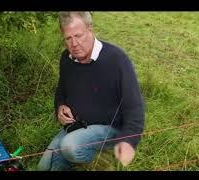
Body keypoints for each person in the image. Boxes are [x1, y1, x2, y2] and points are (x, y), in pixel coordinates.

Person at [37, 12, 144, 171]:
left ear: (90, 30)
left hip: (110, 129)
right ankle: (78, 153)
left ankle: (102, 160)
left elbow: (134, 107)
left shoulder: (117, 60)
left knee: (70, 146)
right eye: (68, 38)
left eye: (78, 35)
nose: (74, 43)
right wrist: (60, 106)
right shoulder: (66, 59)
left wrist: (129, 142)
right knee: (43, 167)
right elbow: (61, 91)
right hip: (77, 126)